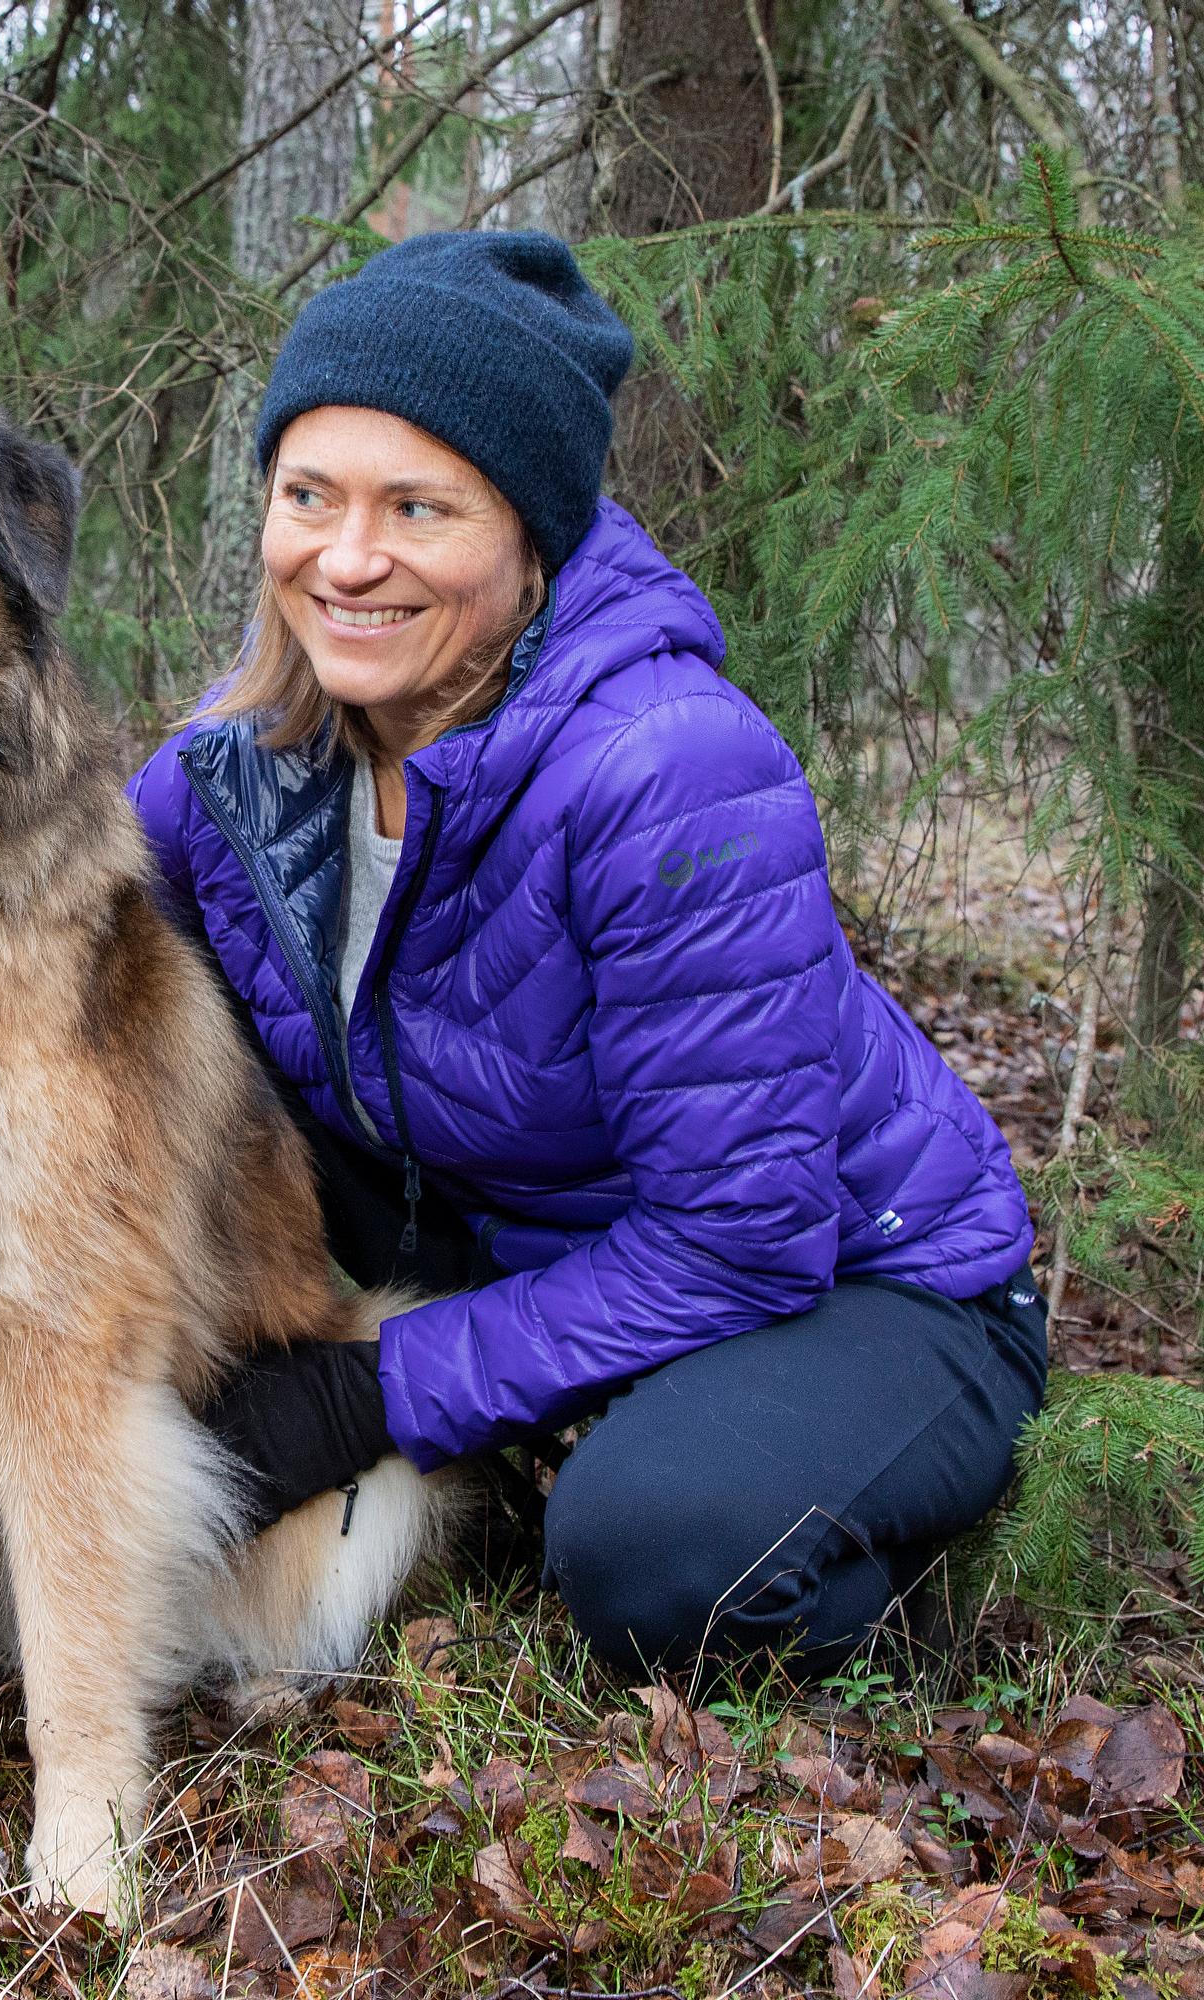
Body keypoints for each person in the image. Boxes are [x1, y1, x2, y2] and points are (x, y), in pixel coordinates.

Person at [126, 231, 1048, 1678]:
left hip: (859, 1277)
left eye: (419, 508)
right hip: (529, 1243)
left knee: (658, 1556)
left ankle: (862, 1539)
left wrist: (370, 1393)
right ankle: (564, 1441)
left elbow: (744, 1239)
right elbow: (74, 986)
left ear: (531, 536)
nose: (346, 558)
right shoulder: (228, 778)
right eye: (308, 495)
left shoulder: (669, 769)